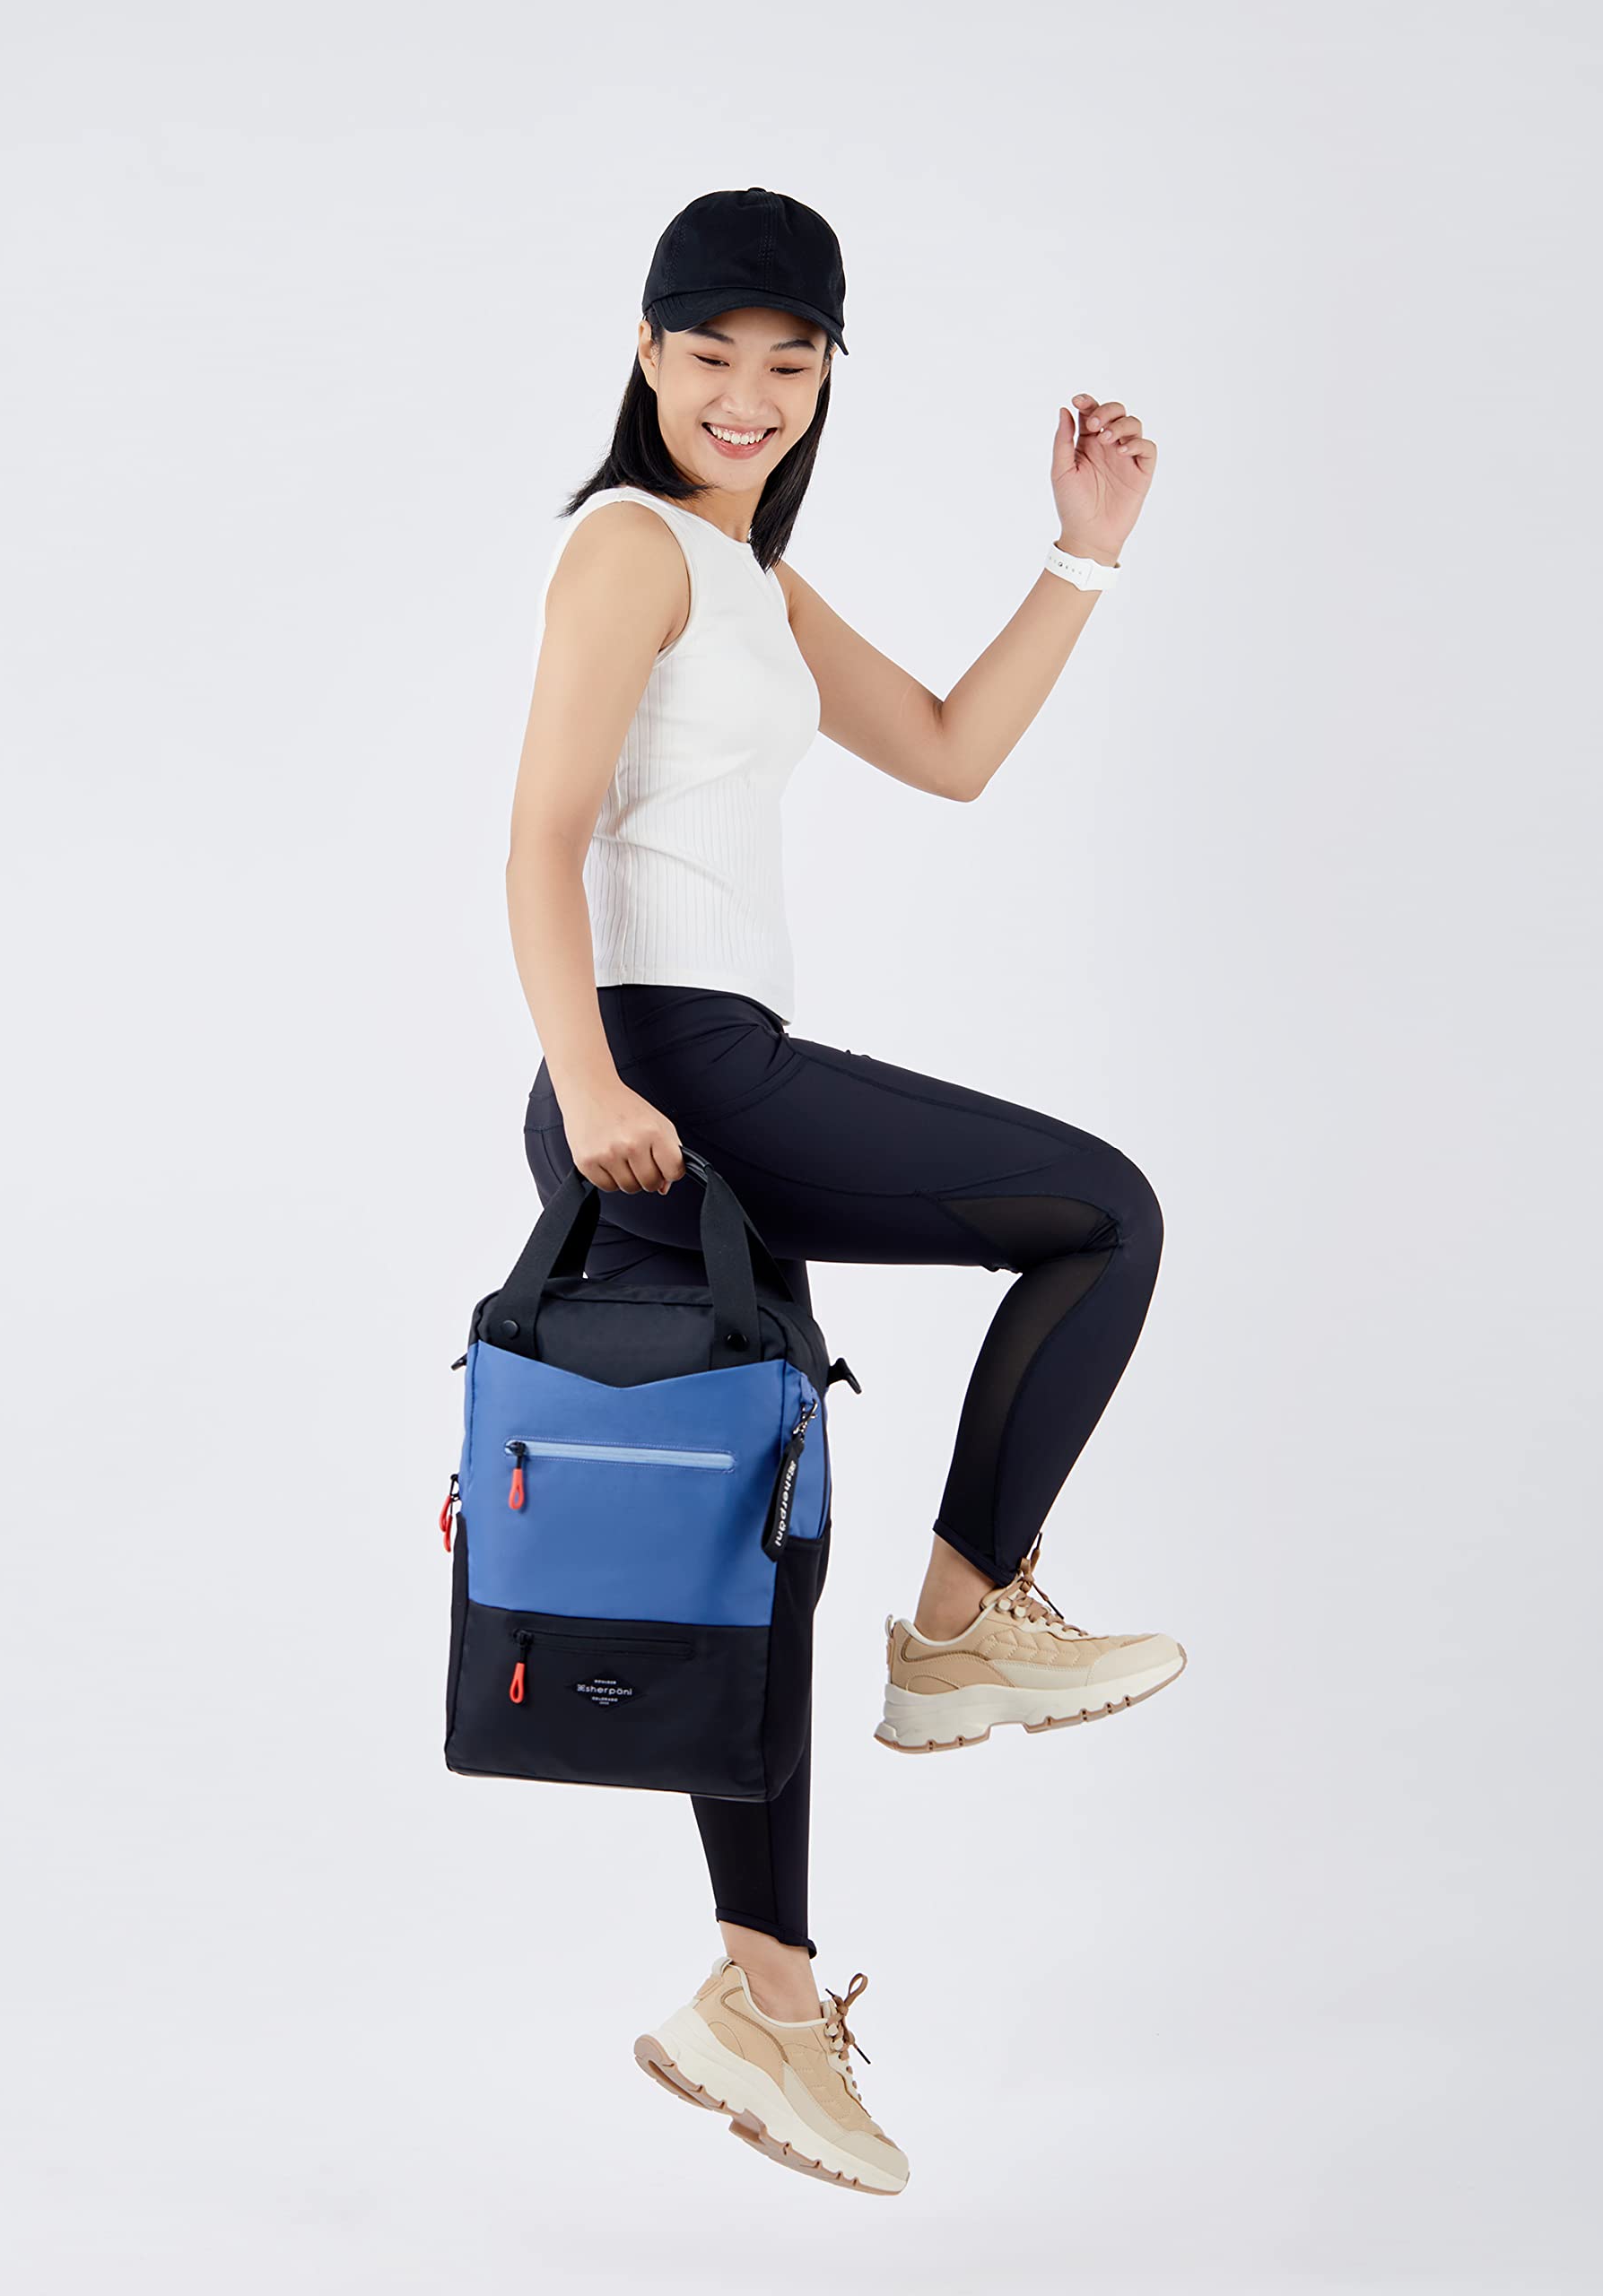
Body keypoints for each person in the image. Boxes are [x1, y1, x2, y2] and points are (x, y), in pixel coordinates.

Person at [504, 187, 1180, 2196]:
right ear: (646, 356)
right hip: (665, 1068)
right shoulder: (626, 547)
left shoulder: (751, 581)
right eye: (707, 353)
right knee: (1098, 1211)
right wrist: (590, 1080)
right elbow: (537, 836)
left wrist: (1082, 550)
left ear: (823, 377)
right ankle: (964, 1623)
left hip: (701, 1071)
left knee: (759, 1550)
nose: (746, 392)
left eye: (786, 361)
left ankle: (763, 2003)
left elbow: (953, 752)